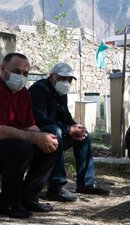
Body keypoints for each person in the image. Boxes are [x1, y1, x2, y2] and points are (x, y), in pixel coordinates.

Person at [0, 53, 60, 218]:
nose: (21, 77)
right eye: (17, 71)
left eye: (25, 74)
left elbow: (30, 126)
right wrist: (34, 138)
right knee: (21, 147)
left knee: (52, 144)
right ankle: (8, 204)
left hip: (4, 149)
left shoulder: (24, 94)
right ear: (3, 69)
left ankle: (29, 199)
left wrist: (42, 137)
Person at [29, 62, 110, 202]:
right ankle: (56, 186)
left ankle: (86, 183)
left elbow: (65, 117)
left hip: (57, 132)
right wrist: (67, 129)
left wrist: (76, 127)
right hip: (38, 137)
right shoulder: (38, 90)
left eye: (69, 79)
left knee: (83, 135)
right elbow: (39, 119)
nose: (66, 82)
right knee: (55, 132)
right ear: (52, 77)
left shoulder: (61, 93)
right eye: (62, 78)